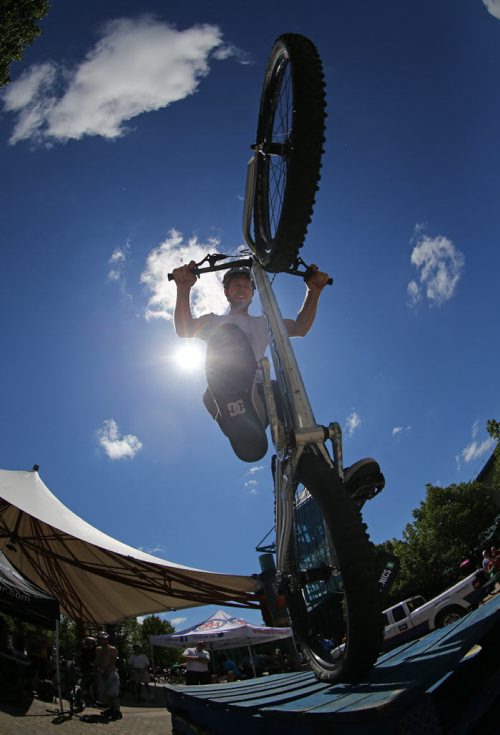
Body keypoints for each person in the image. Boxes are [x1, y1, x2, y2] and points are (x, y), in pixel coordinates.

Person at [172, 262, 385, 498]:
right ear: (226, 292)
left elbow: (300, 327)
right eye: (235, 285)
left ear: (253, 293)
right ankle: (232, 408)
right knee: (229, 335)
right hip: (224, 385)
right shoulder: (214, 321)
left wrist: (313, 292)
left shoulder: (264, 322)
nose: (242, 288)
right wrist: (184, 288)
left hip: (261, 396)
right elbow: (184, 329)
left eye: (246, 285)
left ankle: (331, 478)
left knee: (287, 393)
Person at [94, 631, 121, 720]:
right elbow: (97, 661)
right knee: (103, 694)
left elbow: (113, 662)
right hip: (101, 673)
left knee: (113, 694)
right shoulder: (98, 649)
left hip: (111, 673)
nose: (101, 640)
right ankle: (111, 709)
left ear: (107, 639)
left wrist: (107, 672)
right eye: (100, 639)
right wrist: (95, 670)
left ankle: (117, 712)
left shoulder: (112, 649)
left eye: (103, 639)